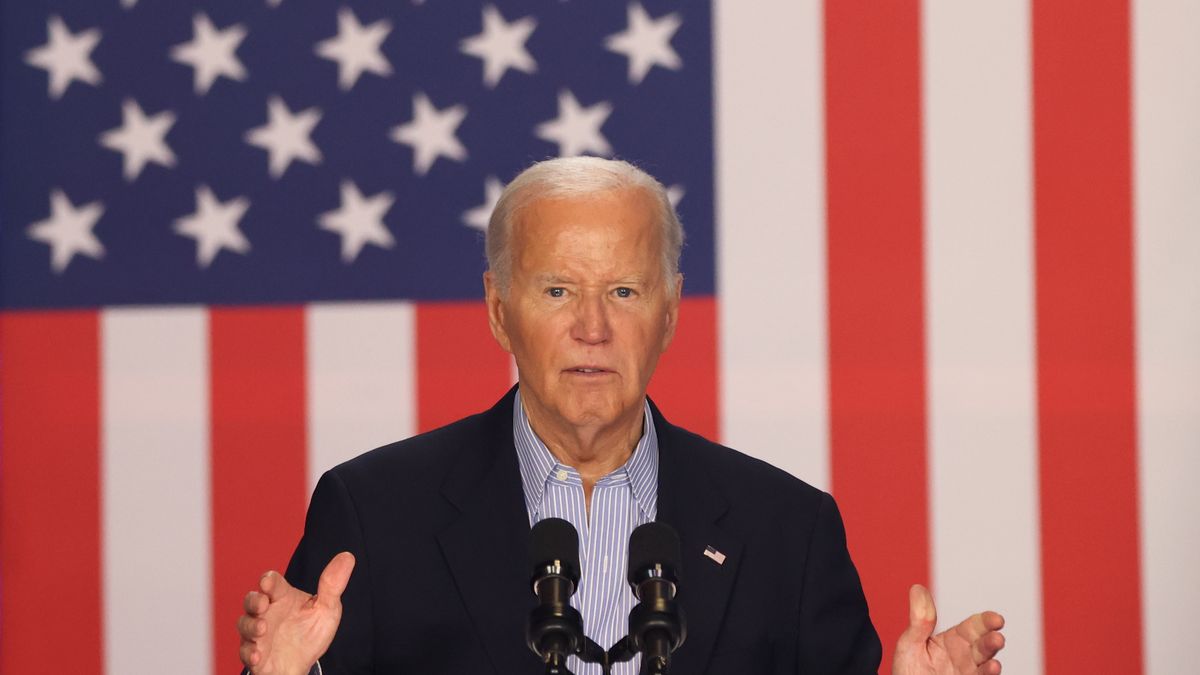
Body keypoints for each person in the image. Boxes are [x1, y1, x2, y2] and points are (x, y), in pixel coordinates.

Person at [236, 157, 1006, 675]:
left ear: (670, 313)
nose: (593, 328)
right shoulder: (375, 514)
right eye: (558, 291)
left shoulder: (788, 531)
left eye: (626, 292)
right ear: (500, 312)